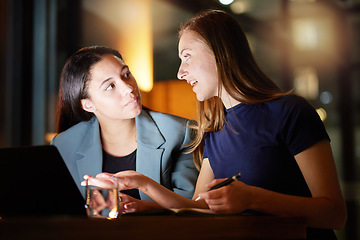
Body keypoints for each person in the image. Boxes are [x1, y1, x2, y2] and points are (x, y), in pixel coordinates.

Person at [85, 10, 346, 239]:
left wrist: (252, 198)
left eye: (186, 56)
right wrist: (144, 186)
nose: (180, 72)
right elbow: (201, 206)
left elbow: (334, 214)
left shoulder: (290, 111)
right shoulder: (215, 128)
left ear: (218, 52)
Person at [51, 46, 199, 213]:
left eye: (126, 75)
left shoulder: (179, 133)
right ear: (88, 104)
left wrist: (145, 206)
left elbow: (192, 208)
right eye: (110, 86)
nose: (128, 88)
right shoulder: (64, 145)